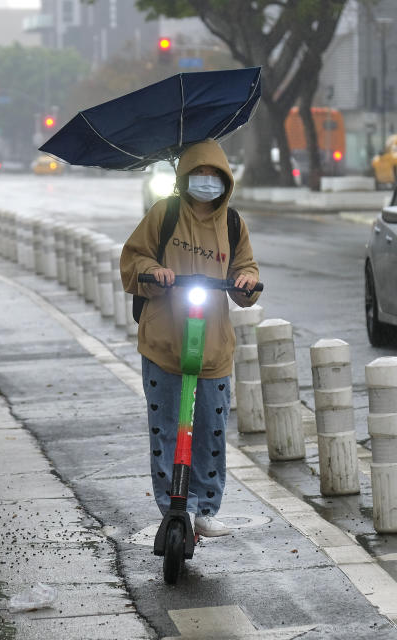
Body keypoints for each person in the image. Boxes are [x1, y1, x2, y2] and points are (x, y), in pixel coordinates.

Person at [120, 140, 261, 537]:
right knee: (165, 427)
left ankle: (204, 508)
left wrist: (246, 282)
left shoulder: (233, 224)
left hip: (213, 344)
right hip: (165, 339)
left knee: (211, 429)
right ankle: (172, 505)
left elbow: (245, 272)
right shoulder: (163, 214)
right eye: (200, 174)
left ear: (226, 180)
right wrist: (153, 271)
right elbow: (134, 257)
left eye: (216, 175)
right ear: (185, 178)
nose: (207, 181)